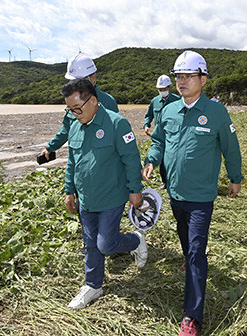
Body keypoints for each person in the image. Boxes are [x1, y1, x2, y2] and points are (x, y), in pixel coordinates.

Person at [142, 50, 243, 336]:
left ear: (203, 79)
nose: (182, 81)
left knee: (197, 251)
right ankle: (189, 259)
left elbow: (231, 149)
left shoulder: (216, 112)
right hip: (175, 191)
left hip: (201, 195)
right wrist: (152, 159)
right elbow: (159, 140)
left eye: (188, 76)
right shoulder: (169, 110)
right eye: (178, 77)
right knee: (185, 237)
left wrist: (235, 178)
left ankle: (192, 316)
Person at [62, 78, 148, 309]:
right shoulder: (74, 126)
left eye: (77, 108)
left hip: (111, 196)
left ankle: (135, 239)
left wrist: (135, 190)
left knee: (106, 245)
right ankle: (93, 285)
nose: (74, 113)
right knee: (91, 244)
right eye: (69, 109)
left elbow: (131, 159)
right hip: (86, 198)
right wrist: (69, 190)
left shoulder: (116, 124)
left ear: (93, 101)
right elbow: (72, 162)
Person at [40, 52, 119, 160]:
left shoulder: (108, 102)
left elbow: (118, 135)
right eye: (73, 81)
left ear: (93, 77)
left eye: (80, 81)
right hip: (80, 161)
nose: (76, 85)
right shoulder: (72, 101)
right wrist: (51, 147)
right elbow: (66, 129)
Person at [143, 75, 181, 189]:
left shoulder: (177, 100)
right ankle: (165, 182)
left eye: (164, 89)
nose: (162, 91)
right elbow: (148, 115)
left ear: (169, 87)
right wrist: (146, 125)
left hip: (174, 134)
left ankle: (174, 181)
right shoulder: (155, 101)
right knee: (162, 159)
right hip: (159, 135)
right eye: (160, 90)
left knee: (173, 158)